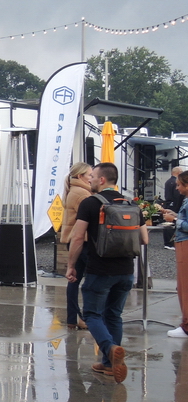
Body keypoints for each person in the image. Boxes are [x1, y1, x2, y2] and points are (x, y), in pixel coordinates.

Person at [65, 162, 148, 383]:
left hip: (99, 269)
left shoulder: (91, 203)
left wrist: (71, 265)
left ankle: (110, 349)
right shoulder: (131, 203)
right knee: (114, 315)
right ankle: (109, 364)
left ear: (102, 180)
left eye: (93, 176)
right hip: (126, 271)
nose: (90, 179)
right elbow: (144, 239)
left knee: (92, 314)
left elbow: (77, 237)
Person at [60, 162, 92, 330]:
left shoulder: (74, 190)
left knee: (74, 281)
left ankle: (73, 317)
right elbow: (89, 219)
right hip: (82, 241)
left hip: (73, 241)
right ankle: (87, 316)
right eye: (89, 175)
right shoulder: (82, 194)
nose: (91, 179)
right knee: (89, 280)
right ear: (80, 176)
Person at [163, 170, 188, 338]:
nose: (177, 188)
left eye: (179, 185)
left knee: (184, 285)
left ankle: (186, 326)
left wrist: (175, 221)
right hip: (182, 242)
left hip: (185, 243)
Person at [164, 167, 184, 250]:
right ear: (178, 172)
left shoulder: (168, 181)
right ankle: (170, 243)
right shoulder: (175, 182)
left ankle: (167, 242)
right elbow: (177, 196)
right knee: (171, 223)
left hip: (168, 203)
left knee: (168, 222)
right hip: (174, 204)